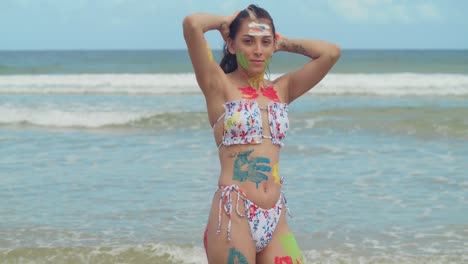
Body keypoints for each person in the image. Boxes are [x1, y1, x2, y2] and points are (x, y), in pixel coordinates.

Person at [183, 4, 340, 263]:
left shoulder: (282, 89)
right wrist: (225, 22)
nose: (258, 50)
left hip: (275, 214)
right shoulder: (218, 85)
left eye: (265, 42)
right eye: (248, 41)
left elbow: (331, 53)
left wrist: (283, 43)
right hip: (234, 212)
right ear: (231, 45)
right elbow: (192, 24)